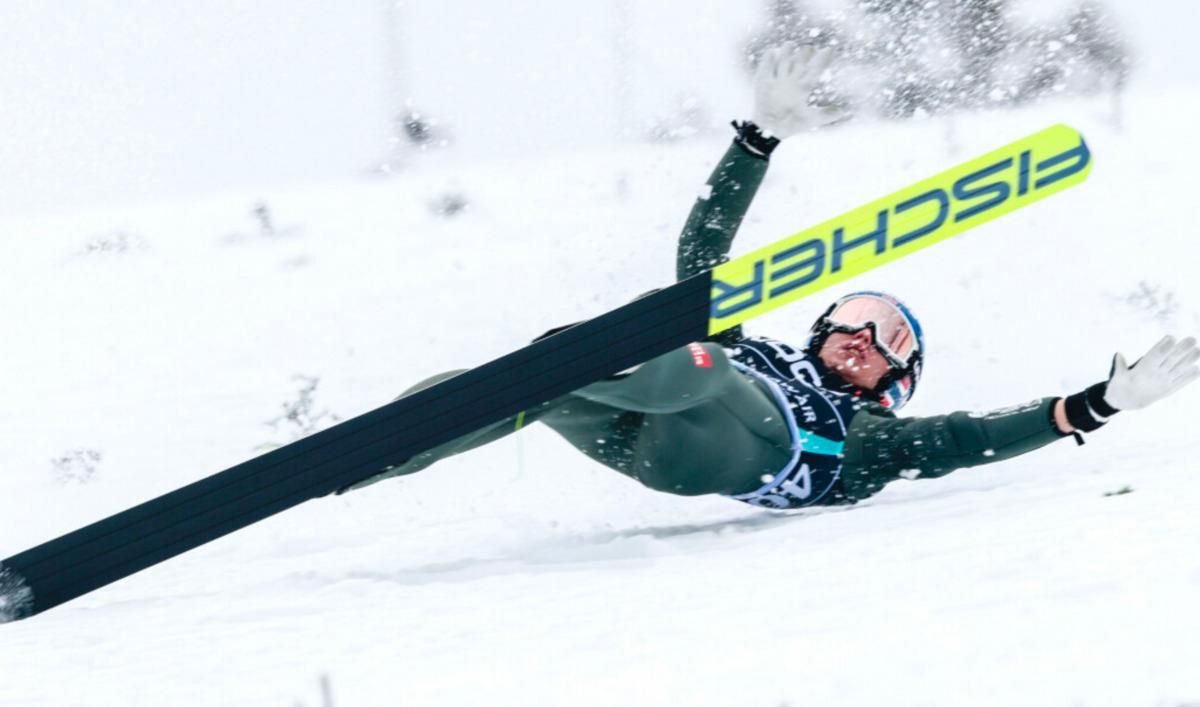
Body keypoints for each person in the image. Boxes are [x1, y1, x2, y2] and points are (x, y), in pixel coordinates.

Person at [341, 46, 1200, 508]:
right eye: (855, 318)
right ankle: (364, 454)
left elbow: (970, 438)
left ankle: (603, 358)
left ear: (899, 379)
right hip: (651, 413)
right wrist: (757, 138)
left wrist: (1095, 407)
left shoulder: (876, 441)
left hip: (734, 449)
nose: (861, 337)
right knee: (508, 392)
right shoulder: (774, 350)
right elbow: (703, 254)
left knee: (702, 350)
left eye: (885, 339)